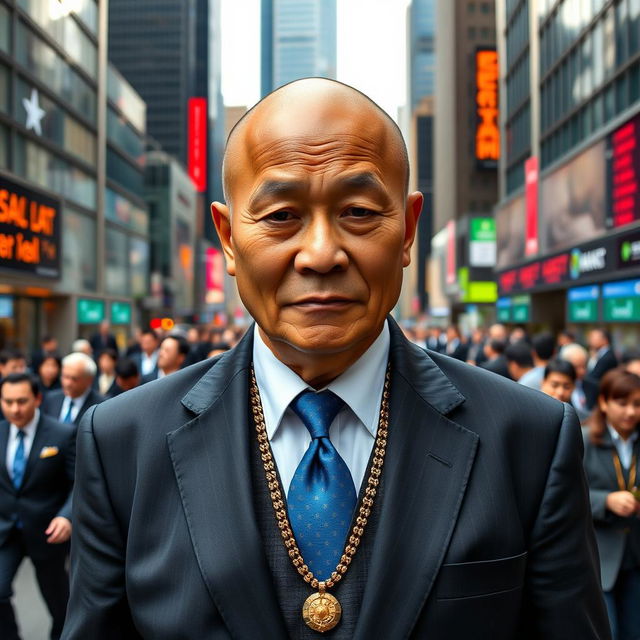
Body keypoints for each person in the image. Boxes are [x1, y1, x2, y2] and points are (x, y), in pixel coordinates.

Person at [62, 79, 609, 639]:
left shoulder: (530, 439)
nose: (322, 253)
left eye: (358, 211)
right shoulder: (123, 443)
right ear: (228, 238)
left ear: (408, 229)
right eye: (280, 216)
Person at [0, 373, 75, 640]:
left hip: (48, 532)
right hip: (6, 530)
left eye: (21, 401)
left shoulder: (62, 434)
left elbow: (78, 484)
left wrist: (67, 517)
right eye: (7, 402)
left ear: (38, 399)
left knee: (60, 606)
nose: (14, 409)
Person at [583, 368, 640, 640]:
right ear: (604, 402)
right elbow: (565, 494)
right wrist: (606, 500)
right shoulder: (583, 440)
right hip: (599, 559)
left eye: (637, 405)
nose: (630, 412)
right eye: (622, 403)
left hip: (635, 555)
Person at [41, 353, 103, 426]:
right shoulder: (51, 399)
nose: (68, 383)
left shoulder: (101, 407)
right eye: (65, 377)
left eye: (74, 379)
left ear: (89, 380)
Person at [584, 328, 619, 410]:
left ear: (604, 340)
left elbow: (594, 376)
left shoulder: (607, 357)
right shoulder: (598, 354)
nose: (590, 340)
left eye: (593, 338)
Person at [561, 342, 591, 423]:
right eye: (577, 367)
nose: (582, 371)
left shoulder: (593, 386)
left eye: (584, 366)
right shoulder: (559, 390)